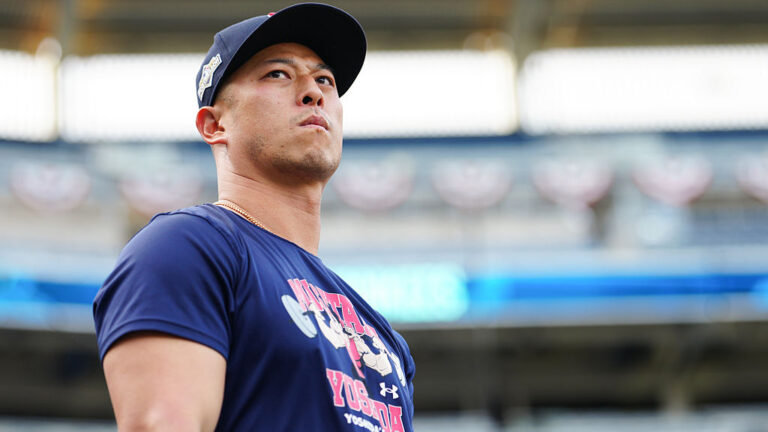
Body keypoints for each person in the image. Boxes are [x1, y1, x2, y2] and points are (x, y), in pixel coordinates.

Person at [92, 3, 415, 431]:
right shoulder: (186, 247)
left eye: (325, 79)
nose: (313, 91)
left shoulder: (382, 336)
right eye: (277, 74)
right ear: (213, 125)